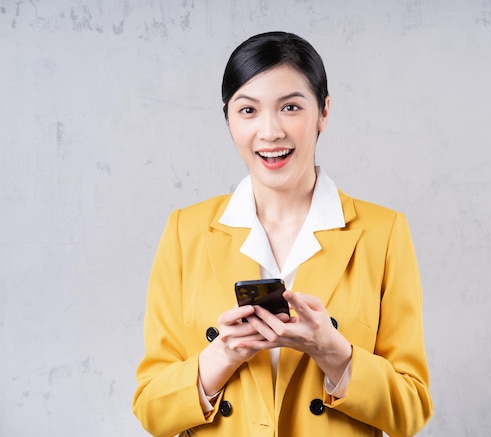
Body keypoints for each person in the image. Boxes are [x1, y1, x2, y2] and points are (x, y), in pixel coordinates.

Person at [132, 31, 433, 437]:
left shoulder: (382, 233)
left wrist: (334, 352)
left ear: (324, 111)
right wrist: (223, 354)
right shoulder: (187, 231)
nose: (270, 132)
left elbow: (411, 411)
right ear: (228, 118)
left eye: (290, 107)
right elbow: (151, 408)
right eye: (248, 110)